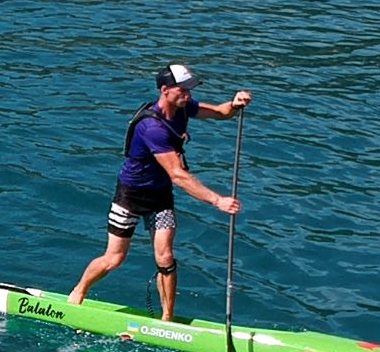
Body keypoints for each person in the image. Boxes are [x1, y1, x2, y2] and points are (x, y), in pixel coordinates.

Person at [67, 64, 251, 321]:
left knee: (165, 256)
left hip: (160, 196)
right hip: (130, 195)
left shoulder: (183, 107)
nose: (188, 95)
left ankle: (167, 319)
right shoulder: (152, 128)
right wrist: (217, 200)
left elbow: (221, 113)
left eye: (190, 90)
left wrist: (234, 103)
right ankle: (78, 291)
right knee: (115, 258)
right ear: (165, 90)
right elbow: (177, 175)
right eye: (183, 90)